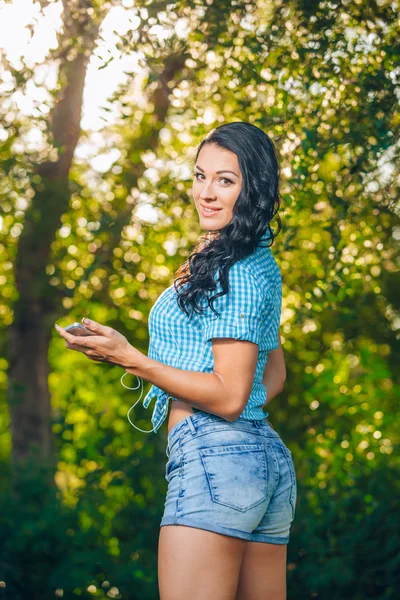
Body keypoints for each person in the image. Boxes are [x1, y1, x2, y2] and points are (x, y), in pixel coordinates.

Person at [55, 121, 297, 600]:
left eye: (225, 180)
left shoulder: (238, 274)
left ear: (255, 188)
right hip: (262, 460)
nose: (206, 192)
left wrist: (131, 358)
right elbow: (273, 374)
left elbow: (229, 397)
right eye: (200, 175)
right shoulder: (251, 262)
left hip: (215, 459)